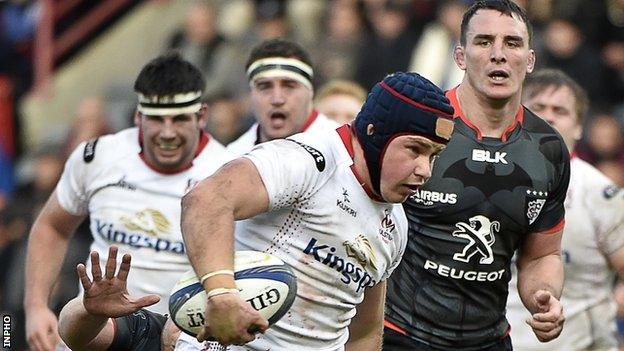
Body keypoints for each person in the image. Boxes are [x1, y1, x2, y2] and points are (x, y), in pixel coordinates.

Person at [178, 71, 455, 350]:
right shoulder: (307, 161)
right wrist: (222, 293)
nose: (425, 170)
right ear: (375, 133)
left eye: (434, 156)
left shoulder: (396, 223)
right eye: (415, 149)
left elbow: (364, 335)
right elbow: (206, 199)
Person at [383, 1, 571, 350]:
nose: (498, 54)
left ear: (529, 60)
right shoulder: (416, 127)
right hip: (400, 334)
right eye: (484, 42)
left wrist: (543, 296)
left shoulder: (548, 149)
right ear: (460, 56)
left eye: (512, 43)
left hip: (489, 339)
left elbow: (541, 254)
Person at [23, 53, 233, 351]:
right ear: (138, 116)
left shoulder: (228, 172)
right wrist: (36, 307)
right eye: (157, 119)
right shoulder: (98, 157)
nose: (168, 132)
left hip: (184, 334)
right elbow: (52, 226)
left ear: (202, 116)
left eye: (180, 119)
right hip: (100, 326)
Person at [506, 70, 624, 350]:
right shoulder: (489, 180)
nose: (549, 117)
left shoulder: (601, 192)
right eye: (538, 108)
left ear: (580, 126)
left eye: (560, 110)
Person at [226, 38, 339, 156]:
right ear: (251, 95)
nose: (277, 99)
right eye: (265, 87)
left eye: (289, 86)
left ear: (310, 92)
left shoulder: (341, 153)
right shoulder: (232, 158)